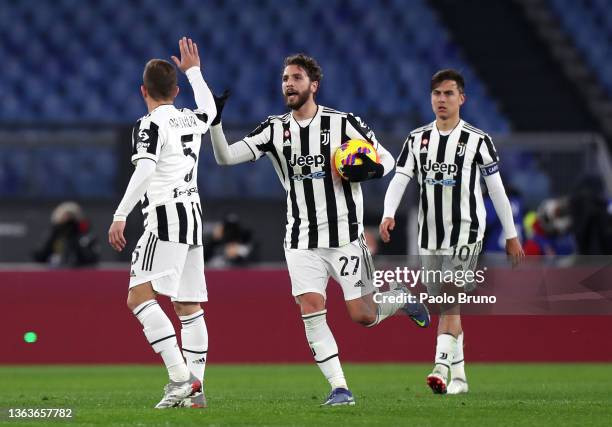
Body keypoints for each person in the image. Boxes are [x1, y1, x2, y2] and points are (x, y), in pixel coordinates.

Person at [187, 50, 430, 406]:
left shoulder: (343, 123)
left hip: (346, 240)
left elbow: (388, 160)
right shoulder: (274, 129)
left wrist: (364, 169)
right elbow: (225, 158)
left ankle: (398, 299)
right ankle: (340, 388)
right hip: (301, 241)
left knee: (362, 315)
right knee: (311, 309)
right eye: (285, 78)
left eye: (297, 78)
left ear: (313, 85)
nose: (289, 84)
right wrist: (217, 123)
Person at [380, 69, 524, 395]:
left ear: (462, 98)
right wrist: (389, 213)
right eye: (437, 94)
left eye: (448, 94)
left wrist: (512, 235)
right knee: (445, 303)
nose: (442, 100)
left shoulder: (477, 140)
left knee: (448, 300)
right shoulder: (417, 139)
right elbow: (400, 177)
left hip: (466, 233)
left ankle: (440, 368)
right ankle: (459, 379)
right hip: (429, 237)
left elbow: (497, 190)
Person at [108, 38, 216, 408]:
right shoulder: (192, 118)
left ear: (144, 91)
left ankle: (181, 379)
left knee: (138, 296)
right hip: (194, 217)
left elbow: (146, 169)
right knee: (188, 306)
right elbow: (211, 110)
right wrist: (195, 72)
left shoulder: (149, 124)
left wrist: (121, 213)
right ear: (175, 89)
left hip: (166, 216)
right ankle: (196, 391)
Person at [33, 201, 99, 267]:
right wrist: (55, 232)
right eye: (65, 218)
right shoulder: (54, 234)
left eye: (72, 218)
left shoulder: (86, 236)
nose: (68, 222)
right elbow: (39, 256)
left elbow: (91, 259)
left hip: (80, 272)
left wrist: (75, 235)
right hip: (54, 271)